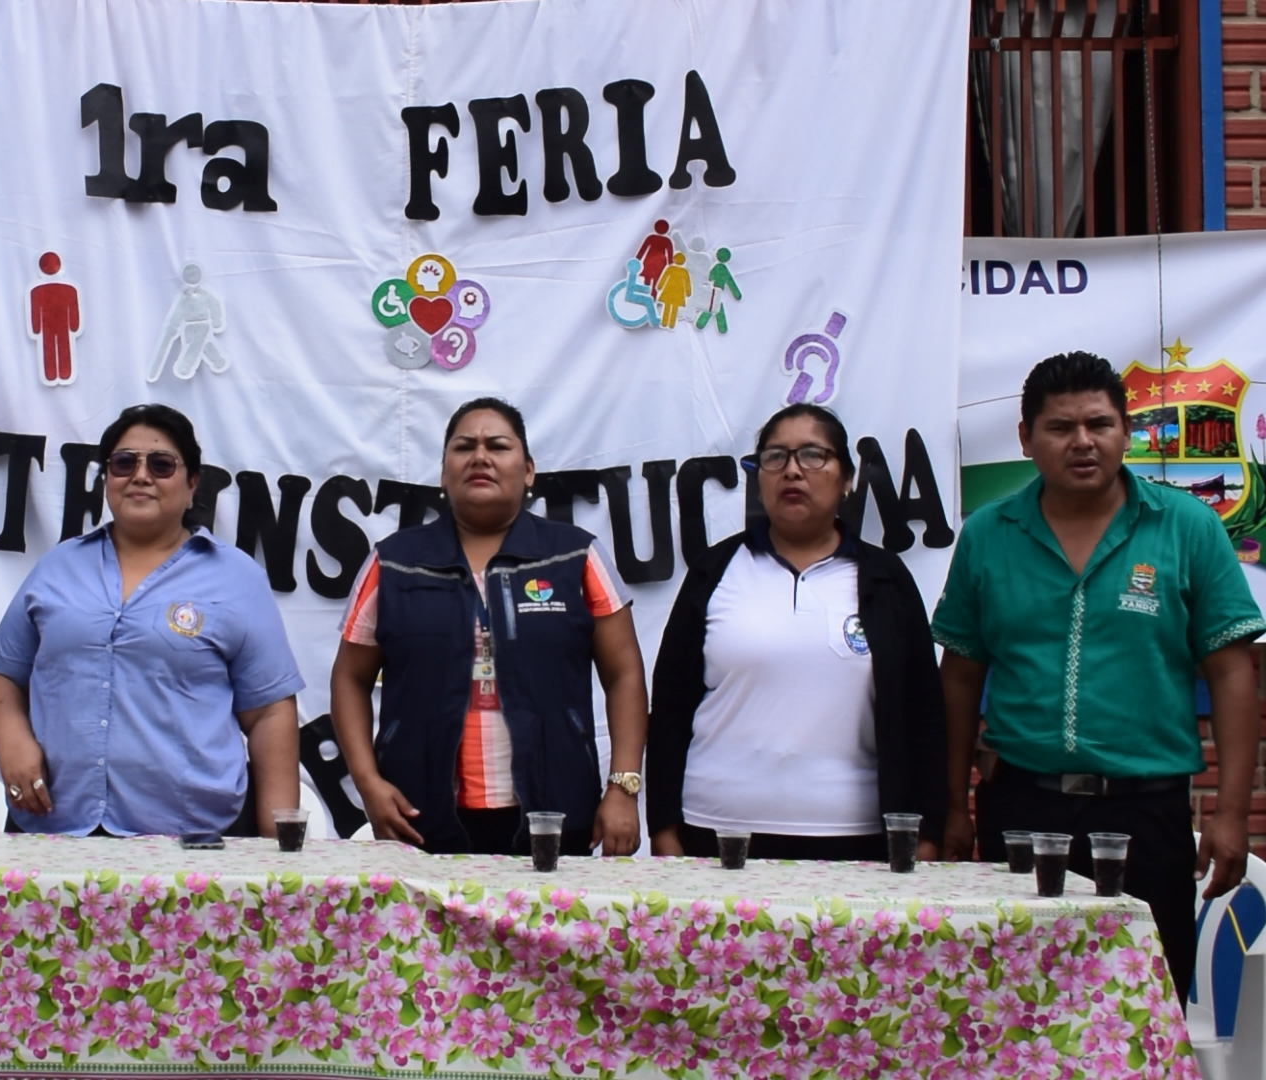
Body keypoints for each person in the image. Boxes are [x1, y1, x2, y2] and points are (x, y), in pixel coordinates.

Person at [934, 351, 1264, 999]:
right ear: (1027, 438)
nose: (1082, 442)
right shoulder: (989, 534)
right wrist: (953, 804)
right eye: (1060, 428)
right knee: (1013, 1003)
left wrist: (1230, 816)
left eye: (1100, 424)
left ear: (1126, 431)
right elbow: (959, 676)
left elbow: (1231, 674)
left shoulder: (1187, 527)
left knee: (1142, 1005)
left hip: (1147, 813)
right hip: (1021, 809)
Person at [329, 398, 647, 857]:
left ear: (529, 470)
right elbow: (349, 677)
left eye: (498, 446)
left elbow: (624, 675)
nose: (480, 457)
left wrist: (623, 786)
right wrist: (367, 782)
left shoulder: (575, 556)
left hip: (555, 815)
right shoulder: (393, 561)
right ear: (443, 472)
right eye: (464, 447)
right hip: (419, 820)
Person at [0, 404, 303, 837]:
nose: (141, 476)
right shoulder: (58, 567)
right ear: (107, 478)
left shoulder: (236, 579)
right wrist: (12, 742)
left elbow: (269, 715)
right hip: (54, 832)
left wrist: (275, 854)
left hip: (193, 841)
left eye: (162, 464)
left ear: (191, 484)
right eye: (124, 463)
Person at [645, 404, 948, 860]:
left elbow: (923, 709)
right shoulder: (715, 570)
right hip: (716, 830)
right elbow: (670, 704)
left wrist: (926, 833)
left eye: (812, 455)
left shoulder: (886, 579)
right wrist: (664, 823)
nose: (792, 471)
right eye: (775, 457)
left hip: (855, 835)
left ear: (846, 478)